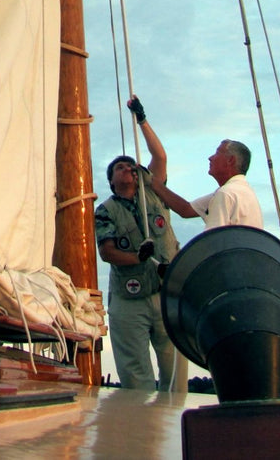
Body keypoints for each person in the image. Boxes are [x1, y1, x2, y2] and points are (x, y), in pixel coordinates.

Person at [95, 97, 182, 391]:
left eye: (131, 165)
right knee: (136, 373)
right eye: (120, 167)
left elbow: (160, 157)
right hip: (130, 298)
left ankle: (174, 425)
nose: (128, 169)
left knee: (173, 369)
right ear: (111, 180)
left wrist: (142, 120)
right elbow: (107, 252)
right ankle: (141, 427)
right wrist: (138, 258)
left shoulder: (153, 191)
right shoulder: (105, 211)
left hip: (166, 292)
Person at [149, 139, 263, 229]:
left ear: (231, 160)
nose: (210, 158)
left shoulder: (225, 194)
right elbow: (186, 209)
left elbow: (213, 242)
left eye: (217, 153)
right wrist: (155, 183)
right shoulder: (243, 191)